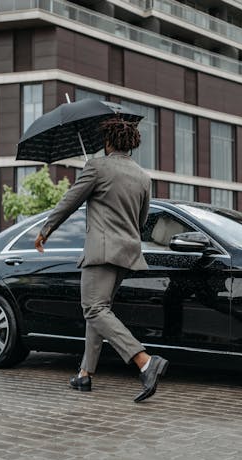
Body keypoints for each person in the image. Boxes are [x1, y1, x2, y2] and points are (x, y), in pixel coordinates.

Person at [34, 116, 168, 402]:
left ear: (107, 142)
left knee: (93, 309)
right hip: (127, 253)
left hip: (102, 251)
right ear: (131, 144)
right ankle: (85, 374)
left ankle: (144, 361)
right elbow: (141, 220)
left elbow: (70, 200)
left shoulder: (96, 166)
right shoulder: (143, 177)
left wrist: (46, 229)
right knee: (100, 310)